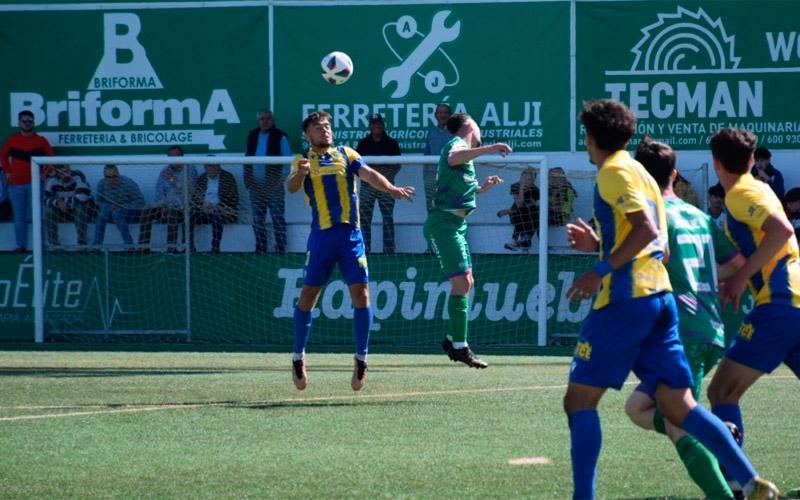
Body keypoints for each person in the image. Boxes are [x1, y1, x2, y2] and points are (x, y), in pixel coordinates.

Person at [563, 99, 777, 500]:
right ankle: (750, 480)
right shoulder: (643, 177)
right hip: (662, 299)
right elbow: (655, 240)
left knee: (579, 402)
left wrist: (600, 270)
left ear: (590, 137)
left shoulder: (612, 173)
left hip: (626, 300)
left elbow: (645, 231)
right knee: (679, 406)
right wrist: (599, 245)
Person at [624, 136, 746, 499]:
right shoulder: (700, 216)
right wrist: (701, 283)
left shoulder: (652, 221)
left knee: (678, 423)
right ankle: (713, 430)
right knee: (637, 407)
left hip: (681, 336)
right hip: (711, 330)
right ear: (675, 175)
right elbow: (735, 266)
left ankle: (724, 483)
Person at [288, 111, 413, 392]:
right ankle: (298, 356)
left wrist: (391, 188)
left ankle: (361, 357)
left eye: (328, 126)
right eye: (318, 127)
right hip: (321, 238)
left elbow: (368, 174)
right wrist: (302, 172)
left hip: (351, 237)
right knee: (308, 295)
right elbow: (292, 187)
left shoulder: (346, 153)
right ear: (307, 135)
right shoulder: (302, 160)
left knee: (362, 294)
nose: (325, 130)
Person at [706, 128, 800, 493]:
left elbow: (780, 231)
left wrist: (742, 277)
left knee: (722, 393)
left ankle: (738, 483)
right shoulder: (759, 189)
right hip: (793, 301)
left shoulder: (741, 194)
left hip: (779, 304)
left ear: (716, 163)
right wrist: (732, 278)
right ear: (750, 160)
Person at [424, 112, 510, 368]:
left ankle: (451, 340)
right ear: (470, 125)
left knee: (468, 282)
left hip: (457, 224)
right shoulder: (456, 145)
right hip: (443, 224)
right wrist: (491, 148)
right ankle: (460, 346)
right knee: (461, 283)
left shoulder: (465, 155)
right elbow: (452, 158)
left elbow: (460, 182)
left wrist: (483, 188)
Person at [0, 110, 55, 251]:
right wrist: (7, 171)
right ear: (19, 123)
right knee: (19, 217)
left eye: (30, 120)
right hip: (15, 185)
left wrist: (45, 173)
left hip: (36, 184)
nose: (27, 123)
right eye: (24, 120)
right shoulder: (12, 139)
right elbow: (3, 155)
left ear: (34, 122)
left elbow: (52, 159)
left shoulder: (41, 141)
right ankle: (20, 245)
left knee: (38, 216)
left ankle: (40, 246)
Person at [245, 109, 290, 253]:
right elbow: (246, 158)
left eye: (268, 119)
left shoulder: (280, 136)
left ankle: (280, 248)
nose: (265, 121)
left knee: (277, 218)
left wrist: (280, 180)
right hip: (255, 186)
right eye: (262, 119)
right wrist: (249, 180)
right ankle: (260, 248)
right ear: (258, 121)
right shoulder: (252, 136)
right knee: (257, 220)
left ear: (273, 121)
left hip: (274, 186)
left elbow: (287, 160)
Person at [356, 113, 402, 254]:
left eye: (379, 123)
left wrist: (382, 179)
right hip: (367, 187)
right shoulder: (363, 143)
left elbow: (397, 165)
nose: (377, 126)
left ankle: (389, 251)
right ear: (370, 126)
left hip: (387, 188)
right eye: (374, 123)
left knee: (387, 218)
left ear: (383, 125)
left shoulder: (392, 143)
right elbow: (358, 165)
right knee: (364, 219)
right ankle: (364, 250)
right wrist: (371, 178)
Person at [138, 146, 197, 252]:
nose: (173, 159)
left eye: (176, 156)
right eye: (171, 157)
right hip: (165, 205)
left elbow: (188, 192)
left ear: (182, 157)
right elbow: (159, 193)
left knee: (171, 212)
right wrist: (160, 205)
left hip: (182, 207)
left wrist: (172, 180)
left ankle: (171, 247)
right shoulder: (164, 170)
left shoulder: (189, 168)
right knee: (147, 211)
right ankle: (143, 247)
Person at [92, 164, 144, 248]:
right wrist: (109, 207)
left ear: (118, 175)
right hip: (111, 209)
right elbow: (99, 201)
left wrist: (123, 206)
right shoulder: (101, 184)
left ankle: (129, 245)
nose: (111, 179)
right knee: (102, 215)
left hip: (130, 211)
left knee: (117, 214)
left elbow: (140, 202)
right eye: (108, 177)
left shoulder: (128, 184)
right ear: (104, 177)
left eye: (114, 176)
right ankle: (97, 245)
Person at [191, 162, 239, 253]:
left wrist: (217, 206)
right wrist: (202, 206)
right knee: (189, 216)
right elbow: (195, 198)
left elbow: (234, 198)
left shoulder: (228, 178)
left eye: (213, 166)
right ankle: (190, 247)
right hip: (204, 210)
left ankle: (215, 248)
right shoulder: (202, 179)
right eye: (208, 166)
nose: (210, 169)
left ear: (219, 166)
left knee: (217, 216)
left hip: (223, 211)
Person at [43, 164, 93, 248]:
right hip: (62, 210)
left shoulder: (78, 177)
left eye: (67, 171)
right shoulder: (52, 182)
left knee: (80, 208)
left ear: (70, 170)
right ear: (57, 173)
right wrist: (58, 202)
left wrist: (64, 202)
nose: (65, 174)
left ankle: (82, 243)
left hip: (77, 210)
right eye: (61, 173)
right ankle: (54, 244)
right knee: (49, 211)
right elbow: (46, 199)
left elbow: (83, 196)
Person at [497, 167, 538, 251]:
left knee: (527, 213)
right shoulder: (515, 186)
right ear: (520, 178)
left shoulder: (535, 189)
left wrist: (508, 211)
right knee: (519, 213)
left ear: (533, 180)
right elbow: (519, 203)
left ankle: (517, 240)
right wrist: (521, 189)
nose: (526, 181)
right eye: (524, 178)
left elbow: (529, 205)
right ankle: (524, 240)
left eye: (529, 179)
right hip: (517, 213)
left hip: (530, 214)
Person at [423, 103, 453, 210]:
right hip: (432, 174)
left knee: (449, 202)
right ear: (436, 115)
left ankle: (448, 226)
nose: (442, 115)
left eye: (445, 113)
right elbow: (427, 154)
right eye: (440, 113)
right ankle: (433, 225)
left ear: (450, 115)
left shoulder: (455, 132)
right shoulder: (431, 133)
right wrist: (426, 175)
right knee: (431, 202)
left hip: (449, 174)